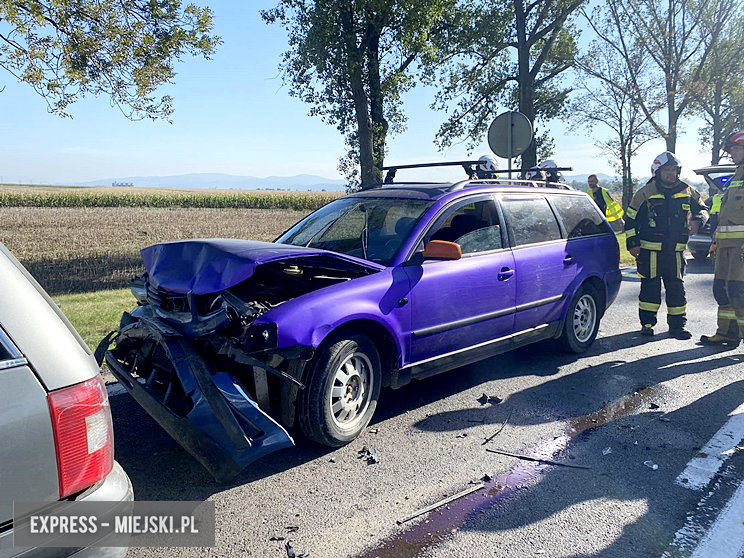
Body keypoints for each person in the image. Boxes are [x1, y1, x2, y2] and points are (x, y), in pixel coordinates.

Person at [624, 151, 708, 339]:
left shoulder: (687, 190)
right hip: (650, 251)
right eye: (667, 170)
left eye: (674, 170)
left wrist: (699, 220)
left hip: (676, 251)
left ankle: (678, 327)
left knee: (676, 288)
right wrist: (632, 243)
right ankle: (647, 324)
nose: (671, 174)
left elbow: (703, 209)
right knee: (650, 288)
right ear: (657, 171)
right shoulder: (645, 193)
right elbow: (630, 220)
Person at [701, 130, 744, 346]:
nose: (732, 154)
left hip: (741, 248)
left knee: (739, 291)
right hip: (725, 247)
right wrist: (716, 242)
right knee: (721, 288)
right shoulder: (737, 175)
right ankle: (727, 332)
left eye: (736, 149)